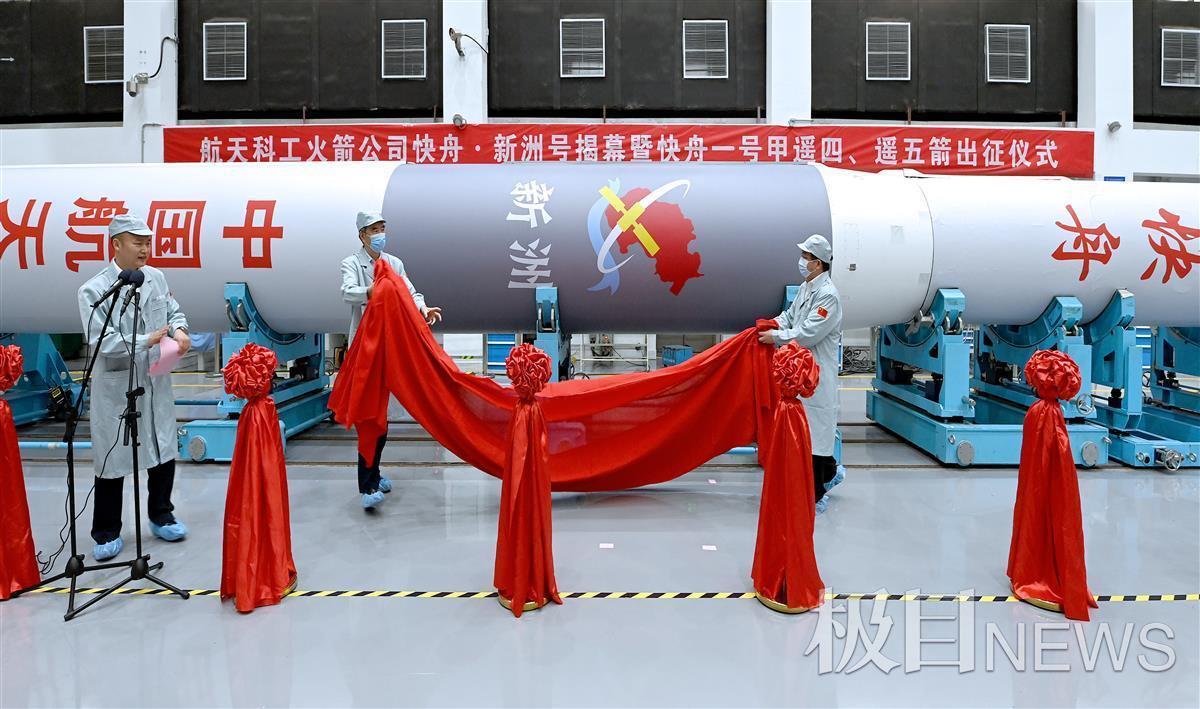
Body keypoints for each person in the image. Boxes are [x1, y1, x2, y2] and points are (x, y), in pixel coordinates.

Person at [77, 214, 191, 561]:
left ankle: (162, 514)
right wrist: (146, 340)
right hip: (117, 386)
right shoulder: (94, 290)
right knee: (112, 457)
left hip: (155, 379)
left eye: (147, 243)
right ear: (116, 244)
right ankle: (107, 531)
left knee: (161, 445)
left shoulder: (156, 278)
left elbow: (172, 312)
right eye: (137, 242)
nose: (144, 249)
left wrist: (179, 331)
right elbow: (101, 340)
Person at [340, 211, 442, 510]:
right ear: (362, 235)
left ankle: (375, 473)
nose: (380, 234)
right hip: (365, 349)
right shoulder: (352, 263)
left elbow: (410, 291)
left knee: (382, 418)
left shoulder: (393, 263)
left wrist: (423, 308)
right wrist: (371, 290)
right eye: (374, 229)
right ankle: (367, 485)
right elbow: (347, 292)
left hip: (390, 346)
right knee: (369, 418)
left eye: (382, 228)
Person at [758, 234, 844, 514]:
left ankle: (816, 494)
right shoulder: (807, 287)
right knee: (809, 433)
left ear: (818, 263)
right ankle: (830, 475)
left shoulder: (828, 296)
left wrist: (777, 337)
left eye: (806, 257)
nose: (802, 261)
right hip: (802, 373)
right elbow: (790, 316)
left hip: (818, 375)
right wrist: (771, 325)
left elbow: (808, 333)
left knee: (816, 437)